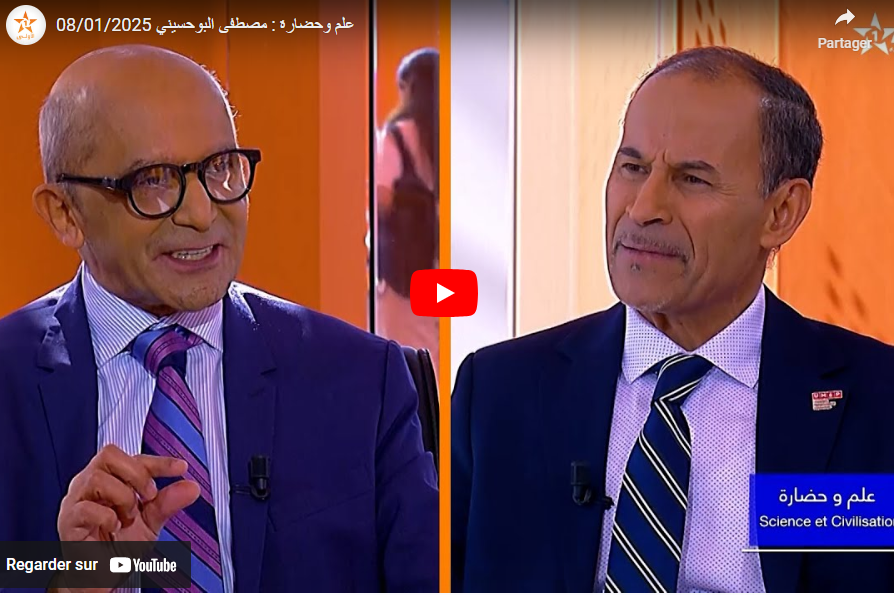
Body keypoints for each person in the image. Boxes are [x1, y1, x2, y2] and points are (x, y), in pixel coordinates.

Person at [452, 46, 894, 593]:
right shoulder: (499, 392)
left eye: (692, 180)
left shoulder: (877, 402)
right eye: (633, 168)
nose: (642, 209)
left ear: (781, 212)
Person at [0, 45, 438, 593]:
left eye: (220, 168)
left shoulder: (364, 382)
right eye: (153, 180)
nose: (203, 213)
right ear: (65, 213)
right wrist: (75, 579)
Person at [374, 47, 440, 377]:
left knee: (406, 359)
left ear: (411, 86)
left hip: (404, 276)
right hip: (439, 266)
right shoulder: (446, 135)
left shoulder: (397, 136)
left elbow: (381, 198)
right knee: (436, 353)